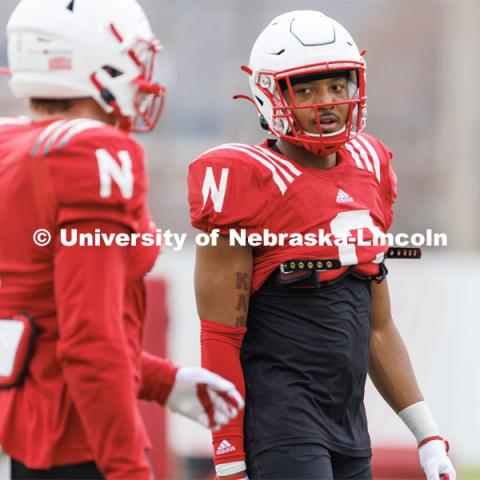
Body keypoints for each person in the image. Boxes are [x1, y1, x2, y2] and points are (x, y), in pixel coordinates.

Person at [188, 10, 456, 480]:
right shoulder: (246, 181)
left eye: (336, 86)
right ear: (271, 96)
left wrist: (427, 434)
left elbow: (378, 327)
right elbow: (219, 337)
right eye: (306, 90)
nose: (326, 102)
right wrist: (228, 457)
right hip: (279, 423)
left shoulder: (370, 167)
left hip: (349, 422)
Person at [0, 0, 243, 479]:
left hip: (25, 435)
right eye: (132, 55)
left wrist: (159, 380)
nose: (142, 73)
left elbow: (42, 317)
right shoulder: (93, 151)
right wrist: (128, 468)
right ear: (95, 59)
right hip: (76, 441)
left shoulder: (13, 144)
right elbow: (90, 339)